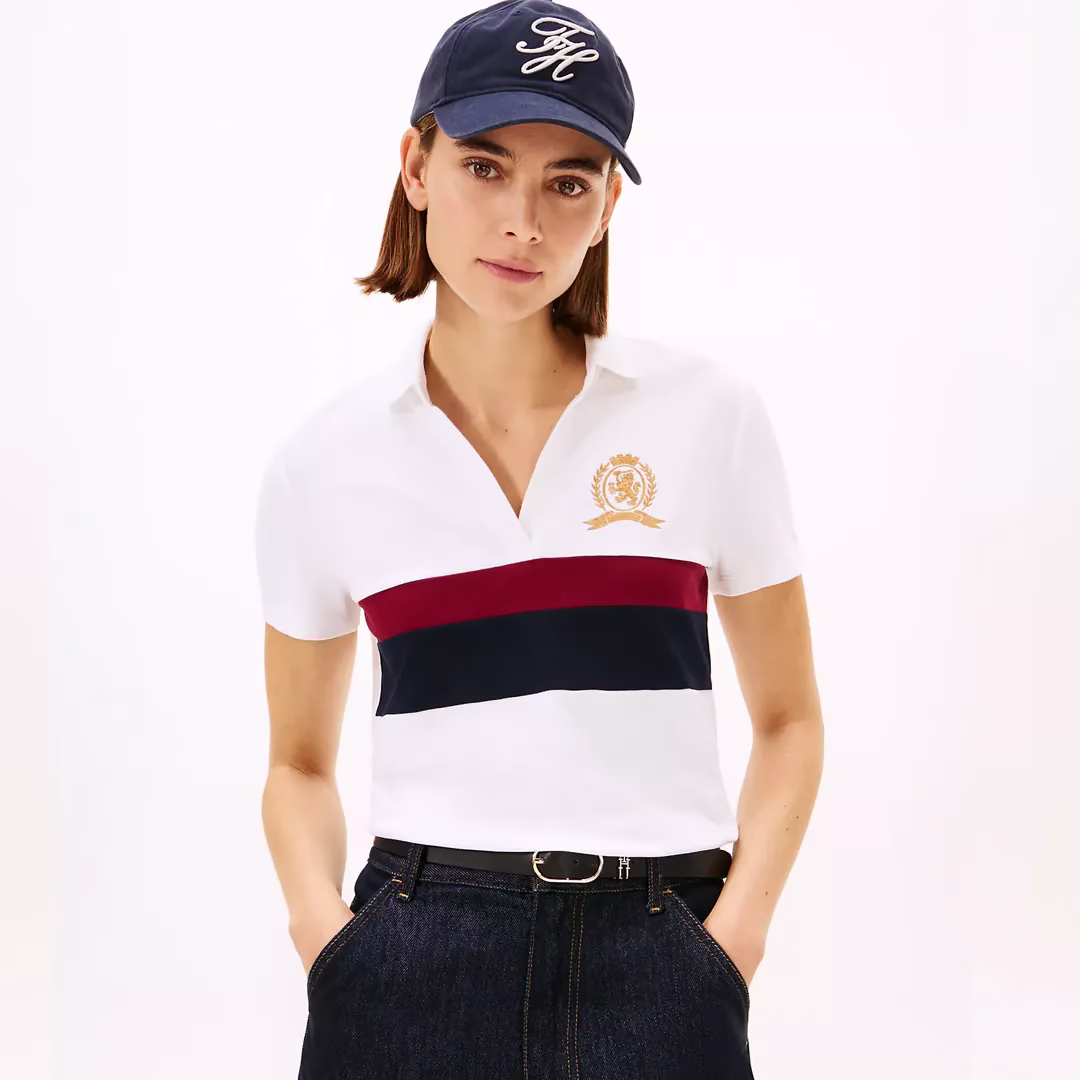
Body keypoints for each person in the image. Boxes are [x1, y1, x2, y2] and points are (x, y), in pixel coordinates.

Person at [254, 2, 825, 1077]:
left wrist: (731, 942)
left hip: (661, 952)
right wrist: (327, 942)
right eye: (485, 167)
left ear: (607, 206)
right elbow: (297, 762)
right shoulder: (323, 462)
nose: (522, 221)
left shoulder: (709, 418)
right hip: (413, 951)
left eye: (568, 182)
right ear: (416, 166)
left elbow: (790, 720)